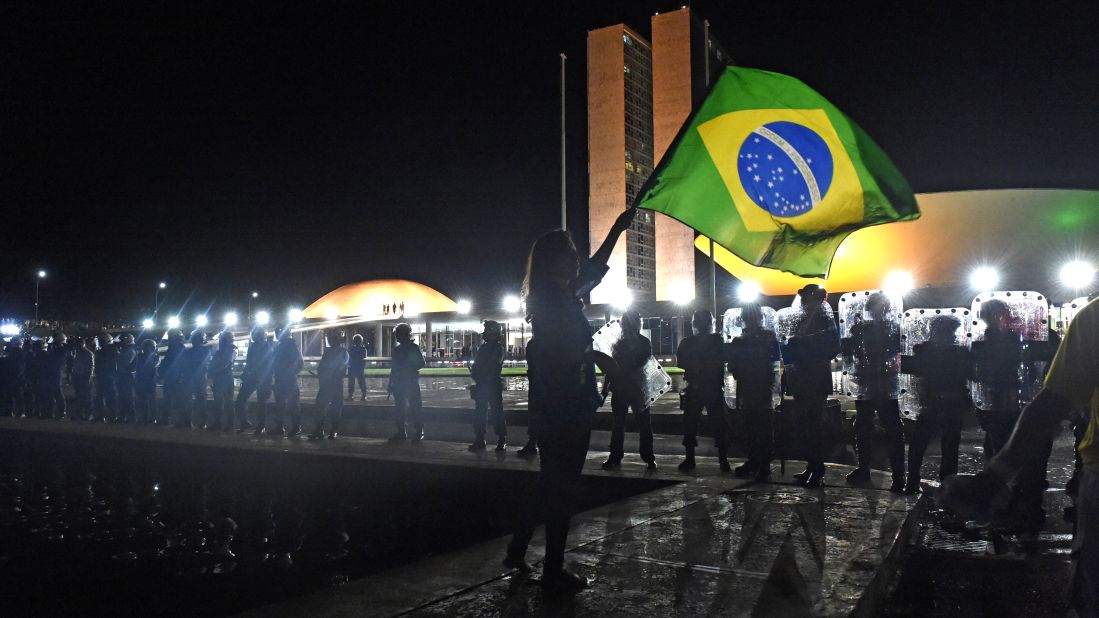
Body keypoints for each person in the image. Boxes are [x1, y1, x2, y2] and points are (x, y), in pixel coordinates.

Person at [943, 297, 1099, 615]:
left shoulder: (1090, 319)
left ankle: (1028, 508)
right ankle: (1022, 507)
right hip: (998, 411)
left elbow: (1052, 400)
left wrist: (993, 476)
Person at [504, 207, 634, 590]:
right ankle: (553, 570)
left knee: (550, 481)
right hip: (562, 404)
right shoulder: (550, 299)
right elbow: (560, 350)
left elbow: (595, 267)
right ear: (554, 260)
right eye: (571, 252)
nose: (577, 258)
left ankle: (518, 548)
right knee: (562, 486)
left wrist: (616, 229)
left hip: (562, 402)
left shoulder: (559, 294)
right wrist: (602, 360)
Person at [971, 298, 1048, 529]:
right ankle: (1021, 505)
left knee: (1002, 454)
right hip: (1007, 406)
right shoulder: (1015, 341)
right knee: (1017, 455)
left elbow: (977, 375)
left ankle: (1010, 505)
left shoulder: (984, 344)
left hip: (999, 407)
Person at [844, 293, 906, 492]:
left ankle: (897, 475)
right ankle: (868, 469)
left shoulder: (889, 328)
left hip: (882, 383)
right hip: (870, 382)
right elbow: (850, 351)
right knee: (866, 426)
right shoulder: (864, 328)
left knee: (889, 428)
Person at [904, 314, 972, 493]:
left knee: (924, 442)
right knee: (947, 444)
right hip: (946, 401)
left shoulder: (924, 350)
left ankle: (914, 480)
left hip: (934, 401)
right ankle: (945, 482)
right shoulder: (959, 353)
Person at [781, 285, 840, 488]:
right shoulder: (804, 319)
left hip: (815, 379)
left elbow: (833, 347)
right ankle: (811, 464)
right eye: (803, 299)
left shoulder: (825, 319)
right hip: (801, 377)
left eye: (807, 298)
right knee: (803, 424)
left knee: (813, 425)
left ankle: (818, 468)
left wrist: (801, 342)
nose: (804, 302)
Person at [726, 304, 781, 481]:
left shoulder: (741, 340)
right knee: (758, 426)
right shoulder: (767, 337)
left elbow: (733, 365)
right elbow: (774, 360)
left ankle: (760, 463)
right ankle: (759, 463)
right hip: (761, 387)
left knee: (756, 426)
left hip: (753, 387)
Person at [675, 309, 730, 472]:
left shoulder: (687, 342)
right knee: (719, 423)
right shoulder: (718, 341)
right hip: (713, 387)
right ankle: (723, 459)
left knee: (690, 423)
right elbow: (725, 359)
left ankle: (690, 459)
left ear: (695, 324)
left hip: (695, 387)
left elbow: (680, 362)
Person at [601, 310, 655, 469]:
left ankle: (615, 457)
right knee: (644, 424)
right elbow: (645, 366)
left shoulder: (618, 343)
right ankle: (649, 458)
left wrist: (605, 388)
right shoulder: (644, 342)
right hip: (639, 388)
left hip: (620, 387)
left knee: (618, 424)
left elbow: (611, 368)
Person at [469, 320, 506, 451]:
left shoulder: (497, 348)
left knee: (497, 412)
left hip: (492, 383)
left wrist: (478, 371)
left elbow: (492, 364)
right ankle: (480, 438)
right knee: (480, 412)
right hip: (483, 383)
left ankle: (501, 439)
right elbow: (478, 365)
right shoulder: (484, 347)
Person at [387, 322, 425, 442]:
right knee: (400, 408)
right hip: (400, 382)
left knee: (415, 407)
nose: (397, 337)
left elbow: (421, 363)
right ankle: (402, 432)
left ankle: (419, 431)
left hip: (410, 382)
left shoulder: (413, 348)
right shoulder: (397, 350)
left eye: (398, 334)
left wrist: (409, 367)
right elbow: (394, 368)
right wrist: (390, 383)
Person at [237, 326, 275, 434]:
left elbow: (269, 364)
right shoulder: (254, 347)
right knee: (242, 401)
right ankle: (246, 422)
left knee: (260, 403)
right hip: (253, 378)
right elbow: (249, 363)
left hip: (261, 378)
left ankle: (260, 425)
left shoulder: (267, 347)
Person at [312, 330, 349, 440]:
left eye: (333, 339)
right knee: (319, 407)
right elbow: (322, 366)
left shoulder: (343, 352)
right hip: (325, 384)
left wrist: (333, 374)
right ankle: (319, 429)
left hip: (336, 384)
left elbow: (342, 368)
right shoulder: (327, 352)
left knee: (335, 408)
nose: (331, 341)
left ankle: (333, 430)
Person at [173, 329, 211, 428]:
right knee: (201, 401)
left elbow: (182, 365)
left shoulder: (187, 352)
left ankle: (187, 421)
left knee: (187, 401)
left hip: (189, 378)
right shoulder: (206, 351)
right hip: (200, 379)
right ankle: (202, 423)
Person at [271, 325, 304, 437]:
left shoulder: (290, 345)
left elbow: (298, 362)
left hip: (288, 380)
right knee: (280, 405)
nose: (277, 334)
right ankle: (280, 427)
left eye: (278, 332)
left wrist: (290, 374)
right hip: (280, 379)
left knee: (292, 404)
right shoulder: (281, 346)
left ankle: (296, 427)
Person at [207, 331, 237, 430]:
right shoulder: (223, 351)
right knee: (221, 403)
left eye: (222, 339)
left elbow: (224, 365)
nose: (220, 341)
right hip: (223, 378)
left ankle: (228, 424)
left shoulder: (230, 351)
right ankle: (221, 424)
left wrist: (213, 373)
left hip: (224, 378)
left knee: (225, 402)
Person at [40, 333, 71, 419]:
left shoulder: (62, 351)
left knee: (57, 393)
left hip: (57, 374)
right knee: (52, 393)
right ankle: (51, 412)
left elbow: (55, 361)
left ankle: (61, 412)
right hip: (54, 373)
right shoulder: (60, 350)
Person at [158, 330, 185, 425]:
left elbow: (177, 363)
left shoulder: (178, 348)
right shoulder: (174, 347)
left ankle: (174, 420)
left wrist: (161, 373)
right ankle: (169, 419)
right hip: (172, 377)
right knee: (170, 399)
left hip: (175, 377)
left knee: (174, 399)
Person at [92, 332, 119, 422]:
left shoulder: (113, 350)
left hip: (109, 376)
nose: (100, 342)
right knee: (100, 397)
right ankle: (102, 415)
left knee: (109, 397)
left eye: (101, 341)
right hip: (103, 376)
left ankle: (112, 416)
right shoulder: (103, 351)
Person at [133, 338, 159, 424]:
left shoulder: (151, 357)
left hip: (147, 381)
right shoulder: (143, 357)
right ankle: (147, 418)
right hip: (146, 381)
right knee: (146, 401)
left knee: (148, 401)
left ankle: (148, 418)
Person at [1, 336, 27, 417]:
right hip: (17, 378)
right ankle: (19, 412)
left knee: (10, 396)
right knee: (18, 396)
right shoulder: (22, 353)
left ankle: (9, 412)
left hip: (11, 377)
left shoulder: (12, 353)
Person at [70, 336, 94, 421]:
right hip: (78, 376)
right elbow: (74, 366)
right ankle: (79, 415)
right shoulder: (76, 353)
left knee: (86, 397)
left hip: (84, 377)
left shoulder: (88, 353)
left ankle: (88, 415)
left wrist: (88, 377)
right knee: (78, 397)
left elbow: (91, 366)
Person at [115, 333, 138, 422]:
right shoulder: (126, 349)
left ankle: (131, 417)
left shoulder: (130, 350)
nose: (121, 342)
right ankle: (122, 416)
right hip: (124, 376)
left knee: (128, 397)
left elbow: (125, 363)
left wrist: (118, 356)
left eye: (123, 340)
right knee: (122, 397)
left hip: (127, 376)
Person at [346, 333, 367, 401]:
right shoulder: (363, 349)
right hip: (359, 367)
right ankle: (363, 395)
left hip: (352, 367)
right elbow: (363, 358)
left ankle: (351, 395)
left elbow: (349, 357)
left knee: (352, 382)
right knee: (361, 382)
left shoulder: (351, 349)